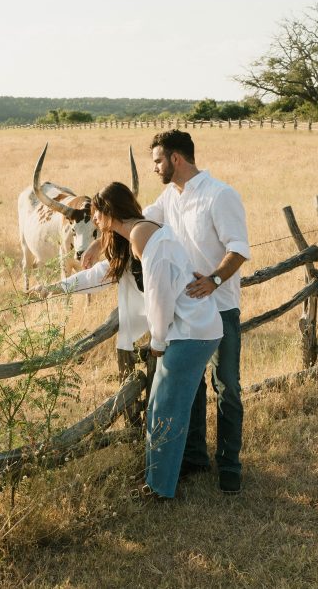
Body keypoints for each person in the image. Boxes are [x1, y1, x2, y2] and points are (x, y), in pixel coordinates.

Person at [83, 130, 250, 494]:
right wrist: (99, 242)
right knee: (189, 392)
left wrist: (216, 280)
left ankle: (229, 467)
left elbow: (238, 248)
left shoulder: (219, 195)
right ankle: (192, 460)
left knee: (227, 387)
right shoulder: (168, 198)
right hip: (184, 312)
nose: (155, 166)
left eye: (158, 160)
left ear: (176, 158)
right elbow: (130, 219)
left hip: (219, 305)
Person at [82, 181, 222, 499]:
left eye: (95, 215)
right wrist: (58, 287)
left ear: (108, 211)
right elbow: (105, 271)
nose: (93, 222)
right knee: (161, 405)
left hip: (191, 332)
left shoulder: (144, 237)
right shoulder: (137, 233)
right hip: (192, 328)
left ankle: (158, 488)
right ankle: (167, 476)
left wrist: (158, 341)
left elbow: (159, 296)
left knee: (165, 411)